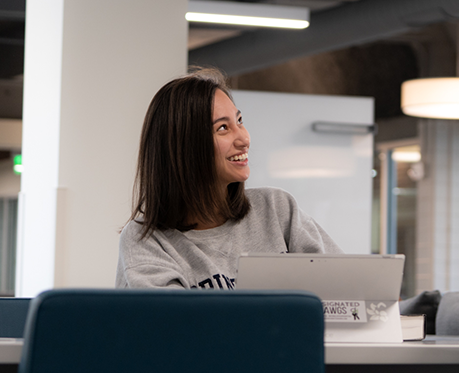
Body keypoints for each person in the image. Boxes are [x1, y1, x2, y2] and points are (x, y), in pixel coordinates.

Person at [116, 69, 341, 289]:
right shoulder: (146, 240)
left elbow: (345, 288)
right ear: (185, 147)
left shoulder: (277, 209)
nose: (244, 138)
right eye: (223, 128)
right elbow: (174, 325)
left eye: (239, 120)